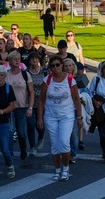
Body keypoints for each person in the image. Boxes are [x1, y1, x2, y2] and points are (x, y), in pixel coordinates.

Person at [36, 54, 83, 182]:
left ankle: (66, 169)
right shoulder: (47, 80)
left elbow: (77, 100)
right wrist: (39, 118)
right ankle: (57, 170)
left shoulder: (70, 79)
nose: (55, 67)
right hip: (51, 116)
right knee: (55, 145)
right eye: (53, 66)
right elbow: (41, 100)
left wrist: (79, 117)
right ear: (50, 68)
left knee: (64, 142)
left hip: (66, 116)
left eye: (58, 65)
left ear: (62, 65)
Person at [6, 50, 34, 161]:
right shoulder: (6, 75)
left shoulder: (25, 74)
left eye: (18, 59)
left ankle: (23, 149)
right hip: (9, 107)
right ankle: (9, 153)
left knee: (21, 132)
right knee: (10, 130)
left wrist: (30, 107)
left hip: (22, 107)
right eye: (14, 59)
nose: (17, 61)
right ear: (10, 62)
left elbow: (31, 92)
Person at [26, 52, 45, 155]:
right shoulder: (26, 73)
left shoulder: (43, 71)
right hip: (29, 102)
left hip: (41, 101)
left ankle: (41, 137)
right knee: (30, 124)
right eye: (32, 59)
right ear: (29, 61)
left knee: (40, 123)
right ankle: (32, 146)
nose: (34, 61)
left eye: (36, 59)